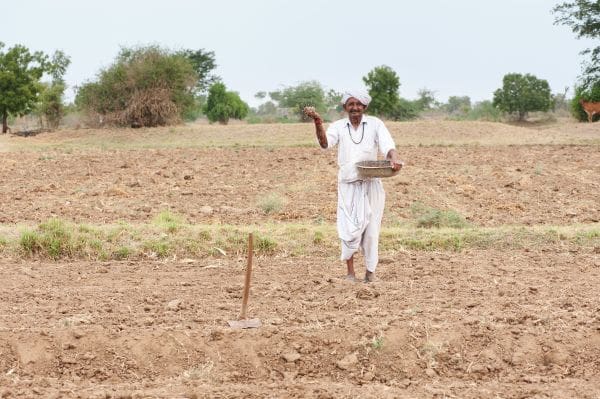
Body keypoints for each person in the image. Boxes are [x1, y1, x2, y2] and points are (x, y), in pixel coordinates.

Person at [304, 90, 403, 283]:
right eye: (351, 104)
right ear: (345, 108)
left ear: (364, 107)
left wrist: (394, 158)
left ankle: (370, 273)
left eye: (359, 104)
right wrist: (318, 121)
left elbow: (388, 146)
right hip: (348, 184)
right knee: (348, 229)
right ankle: (350, 274)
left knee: (372, 229)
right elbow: (325, 144)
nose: (355, 107)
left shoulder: (375, 124)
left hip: (371, 182)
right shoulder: (339, 126)